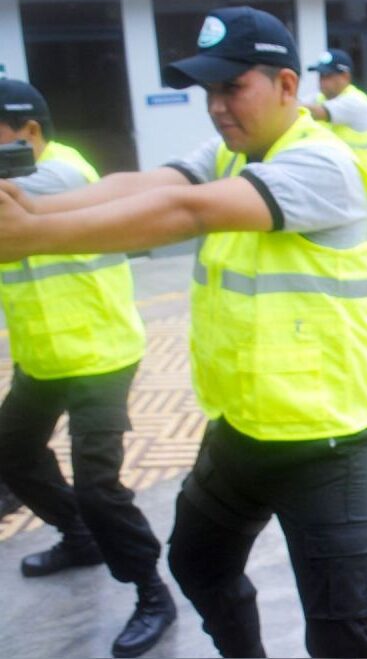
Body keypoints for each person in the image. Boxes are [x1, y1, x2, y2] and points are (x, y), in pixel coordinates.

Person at [0, 8, 367, 658]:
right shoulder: (229, 152)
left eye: (232, 87)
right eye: (208, 91)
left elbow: (183, 209)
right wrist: (35, 208)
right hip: (238, 429)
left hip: (324, 444)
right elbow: (147, 183)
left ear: (287, 86)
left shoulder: (327, 165)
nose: (216, 106)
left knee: (345, 635)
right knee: (198, 563)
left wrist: (31, 236)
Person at [0, 78, 175, 658]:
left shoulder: (64, 174)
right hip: (42, 357)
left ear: (29, 133)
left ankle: (151, 591)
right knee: (13, 453)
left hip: (101, 355)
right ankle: (79, 538)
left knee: (100, 487)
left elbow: (26, 196)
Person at [305, 48, 367, 347]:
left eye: (329, 76)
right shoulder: (323, 100)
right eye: (320, 75)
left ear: (345, 76)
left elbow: (310, 114)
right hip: (336, 196)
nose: (322, 82)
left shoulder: (355, 103)